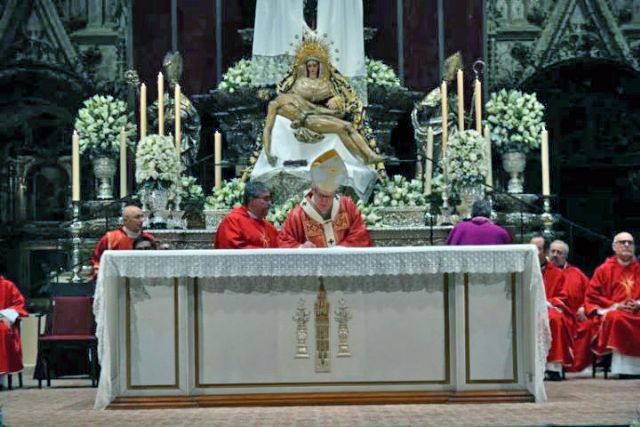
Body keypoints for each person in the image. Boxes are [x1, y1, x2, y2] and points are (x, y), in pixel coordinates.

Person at [262, 37, 384, 166]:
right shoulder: (274, 104)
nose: (312, 68)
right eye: (310, 66)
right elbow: (267, 129)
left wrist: (333, 113)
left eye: (314, 66)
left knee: (348, 126)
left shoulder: (292, 97)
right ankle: (364, 157)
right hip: (307, 121)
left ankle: (368, 156)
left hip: (313, 116)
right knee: (342, 128)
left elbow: (314, 108)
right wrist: (267, 152)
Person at [278, 150, 372, 248]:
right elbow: (284, 241)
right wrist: (301, 247)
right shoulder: (298, 215)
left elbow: (360, 235)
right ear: (313, 190)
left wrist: (341, 249)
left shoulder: (347, 206)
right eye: (321, 195)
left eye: (329, 197)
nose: (324, 201)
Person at [586, 231, 640, 376]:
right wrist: (616, 305)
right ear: (614, 247)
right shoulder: (604, 270)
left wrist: (638, 303)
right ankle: (624, 369)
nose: (627, 245)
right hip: (615, 310)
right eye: (623, 242)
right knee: (616, 318)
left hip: (637, 311)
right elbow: (593, 296)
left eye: (630, 242)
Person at [547, 240, 594, 373]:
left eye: (559, 252)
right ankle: (555, 365)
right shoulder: (543, 273)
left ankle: (579, 365)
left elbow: (591, 294)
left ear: (565, 256)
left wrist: (584, 307)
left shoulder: (577, 274)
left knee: (589, 325)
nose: (555, 255)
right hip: (556, 315)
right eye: (553, 251)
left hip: (575, 317)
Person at [531, 235, 574, 380]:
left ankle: (553, 367)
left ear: (545, 251)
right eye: (532, 248)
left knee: (554, 319)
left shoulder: (557, 273)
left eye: (538, 249)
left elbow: (563, 297)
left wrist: (547, 302)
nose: (535, 252)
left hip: (549, 307)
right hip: (529, 308)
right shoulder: (524, 270)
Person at [90, 205, 156, 278]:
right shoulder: (111, 238)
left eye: (142, 217)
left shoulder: (149, 238)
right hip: (116, 281)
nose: (141, 220)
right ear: (125, 219)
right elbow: (97, 260)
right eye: (137, 217)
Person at [214, 181, 279, 249]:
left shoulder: (269, 228)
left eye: (270, 199)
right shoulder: (232, 221)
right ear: (251, 199)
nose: (269, 203)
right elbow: (235, 250)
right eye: (266, 199)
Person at [0, 275, 28, 387]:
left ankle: (0, 380)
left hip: (2, 319)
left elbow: (18, 304)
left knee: (2, 330)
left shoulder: (7, 286)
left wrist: (6, 315)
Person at [446, 200, 511, 245]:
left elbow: (448, 250)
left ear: (471, 213)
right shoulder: (500, 232)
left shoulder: (459, 228)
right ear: (490, 214)